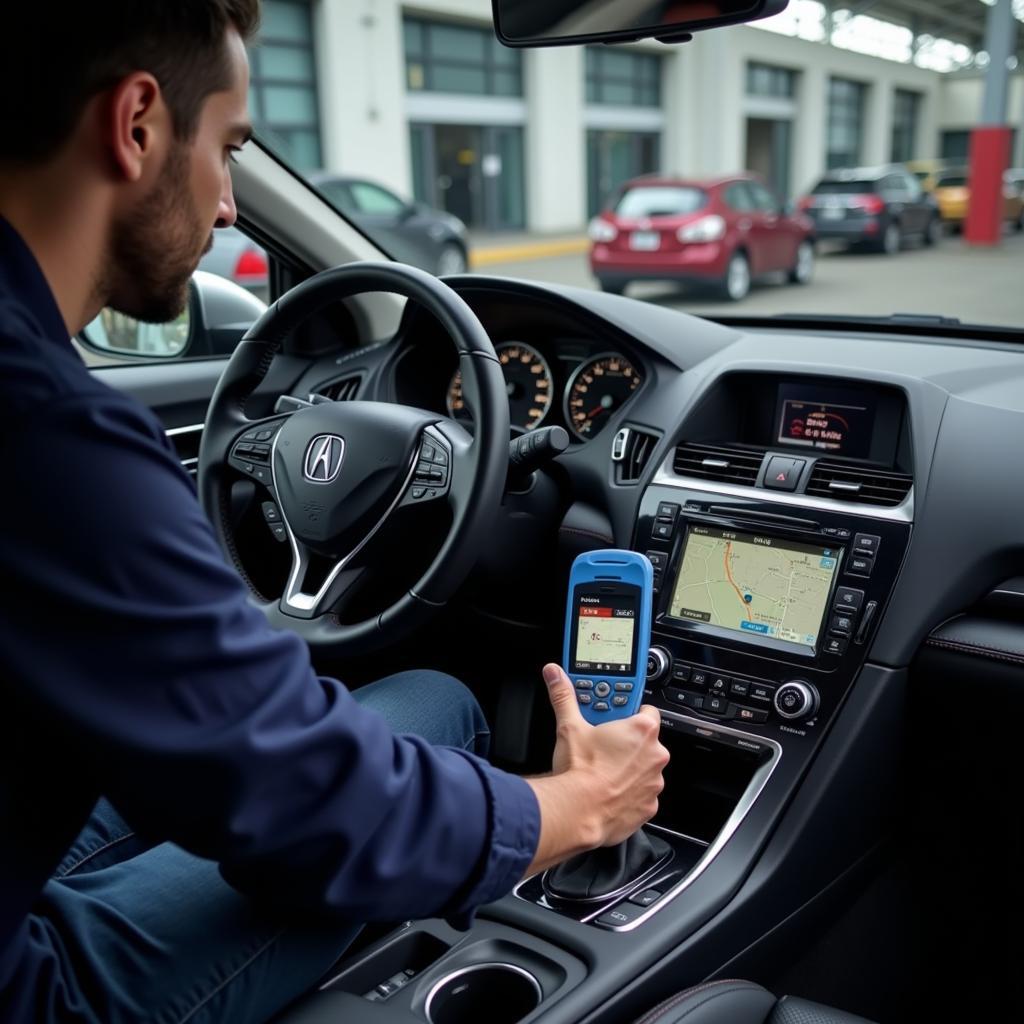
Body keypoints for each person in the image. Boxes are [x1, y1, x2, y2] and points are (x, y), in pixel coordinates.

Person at [0, 3, 669, 1021]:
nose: (228, 206)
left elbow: (221, 739)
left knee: (433, 702)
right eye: (226, 149)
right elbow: (320, 812)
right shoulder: (46, 435)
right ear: (135, 124)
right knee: (424, 738)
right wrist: (581, 806)